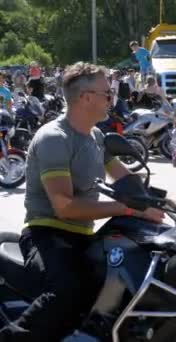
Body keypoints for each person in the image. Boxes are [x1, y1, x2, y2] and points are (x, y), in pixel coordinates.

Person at [0, 62, 164, 342]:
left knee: (122, 284)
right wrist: (127, 208)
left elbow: (124, 179)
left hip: (84, 235)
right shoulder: (55, 138)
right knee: (67, 291)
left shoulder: (96, 136)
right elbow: (64, 206)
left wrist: (170, 203)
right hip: (48, 232)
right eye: (106, 93)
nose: (111, 98)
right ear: (86, 97)